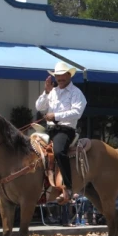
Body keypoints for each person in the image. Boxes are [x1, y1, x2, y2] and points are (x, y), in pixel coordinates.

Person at [35, 61, 88, 204]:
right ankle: (40, 186)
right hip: (49, 129)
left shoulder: (76, 93)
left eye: (62, 75)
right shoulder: (52, 92)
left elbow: (77, 112)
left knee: (59, 151)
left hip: (65, 129)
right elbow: (39, 106)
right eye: (57, 76)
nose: (60, 78)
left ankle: (68, 188)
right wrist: (45, 91)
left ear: (69, 75)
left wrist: (56, 116)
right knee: (31, 148)